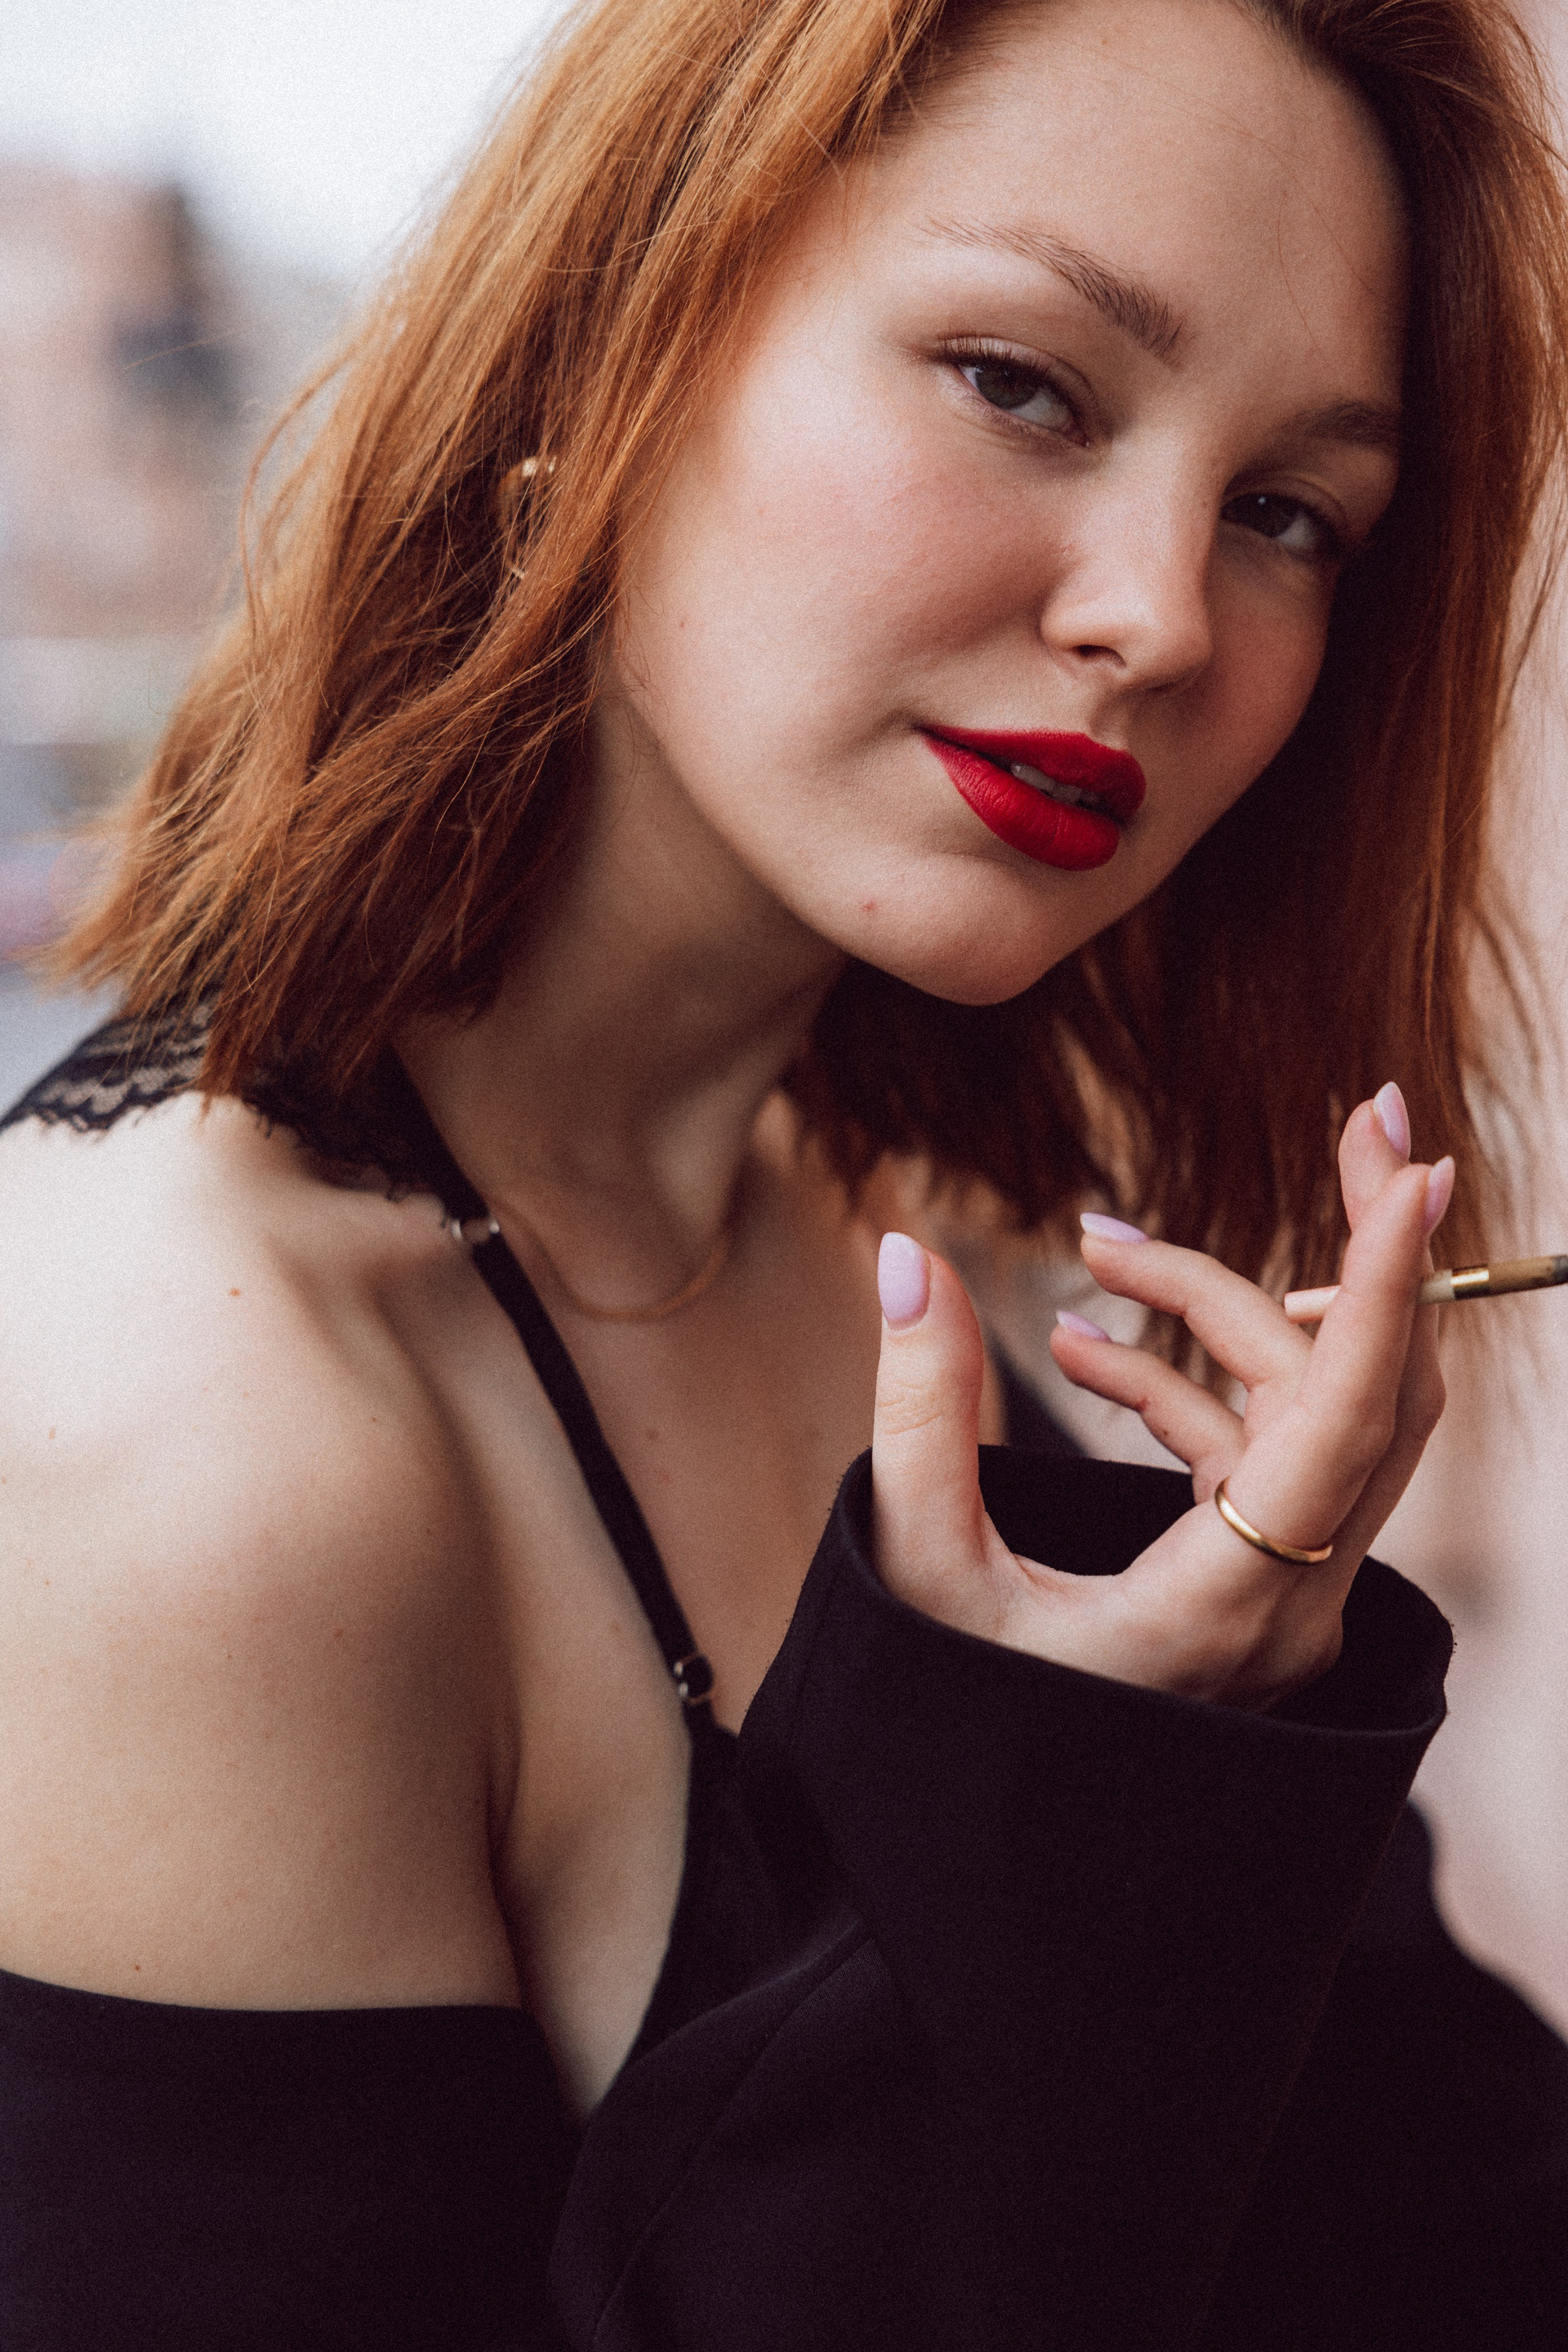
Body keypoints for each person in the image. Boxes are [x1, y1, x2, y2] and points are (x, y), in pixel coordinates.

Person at [2, 0, 1566, 2342]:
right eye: (1021, 383)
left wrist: (1230, 1718)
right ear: (609, 341)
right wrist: (1094, 1805)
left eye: (1288, 515)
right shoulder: (187, 1444)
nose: (1160, 614)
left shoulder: (853, 1220)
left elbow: (1431, 2201)